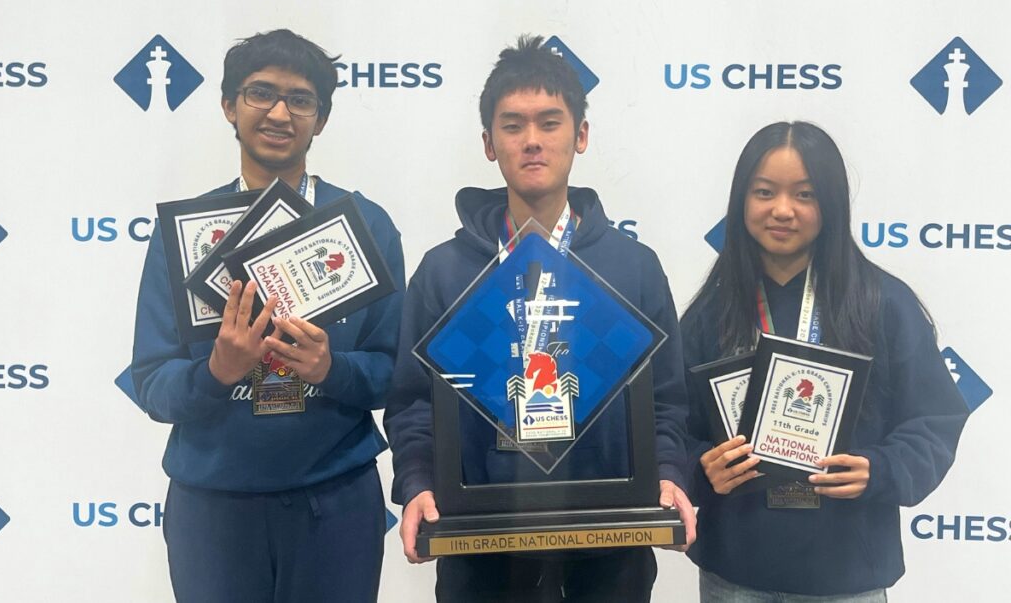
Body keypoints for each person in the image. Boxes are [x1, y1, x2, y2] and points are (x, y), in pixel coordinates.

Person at [384, 35, 696, 603]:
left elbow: (668, 399)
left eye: (550, 123)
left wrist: (669, 469)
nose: (532, 141)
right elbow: (412, 403)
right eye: (513, 125)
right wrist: (418, 484)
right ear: (488, 143)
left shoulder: (631, 268)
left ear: (580, 136)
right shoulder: (446, 272)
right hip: (481, 541)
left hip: (609, 542)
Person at [131, 29, 404, 603]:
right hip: (212, 506)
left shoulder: (364, 228)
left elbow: (396, 374)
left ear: (320, 120)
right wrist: (216, 371)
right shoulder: (183, 239)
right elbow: (151, 382)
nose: (280, 112)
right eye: (261, 93)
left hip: (334, 501)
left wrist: (333, 368)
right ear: (229, 105)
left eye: (301, 100)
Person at [681, 121, 968, 601]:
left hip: (846, 576)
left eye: (806, 195)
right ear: (741, 201)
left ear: (831, 204)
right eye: (765, 192)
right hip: (734, 574)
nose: (783, 210)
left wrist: (882, 469)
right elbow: (673, 425)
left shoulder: (883, 303)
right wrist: (700, 468)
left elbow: (934, 420)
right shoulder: (712, 312)